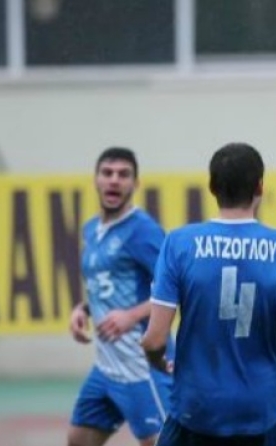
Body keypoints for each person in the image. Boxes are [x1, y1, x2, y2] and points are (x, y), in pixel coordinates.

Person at [141, 143, 276, 446]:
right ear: (260, 187)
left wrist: (159, 363)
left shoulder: (179, 244)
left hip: (195, 406)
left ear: (212, 187)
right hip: (261, 410)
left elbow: (154, 341)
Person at [67, 147, 171, 446]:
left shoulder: (144, 232)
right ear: (96, 180)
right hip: (106, 367)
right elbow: (106, 284)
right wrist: (85, 309)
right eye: (107, 173)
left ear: (135, 184)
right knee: (78, 440)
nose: (114, 180)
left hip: (142, 367)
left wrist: (132, 316)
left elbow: (177, 289)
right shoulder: (91, 229)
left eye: (123, 175)